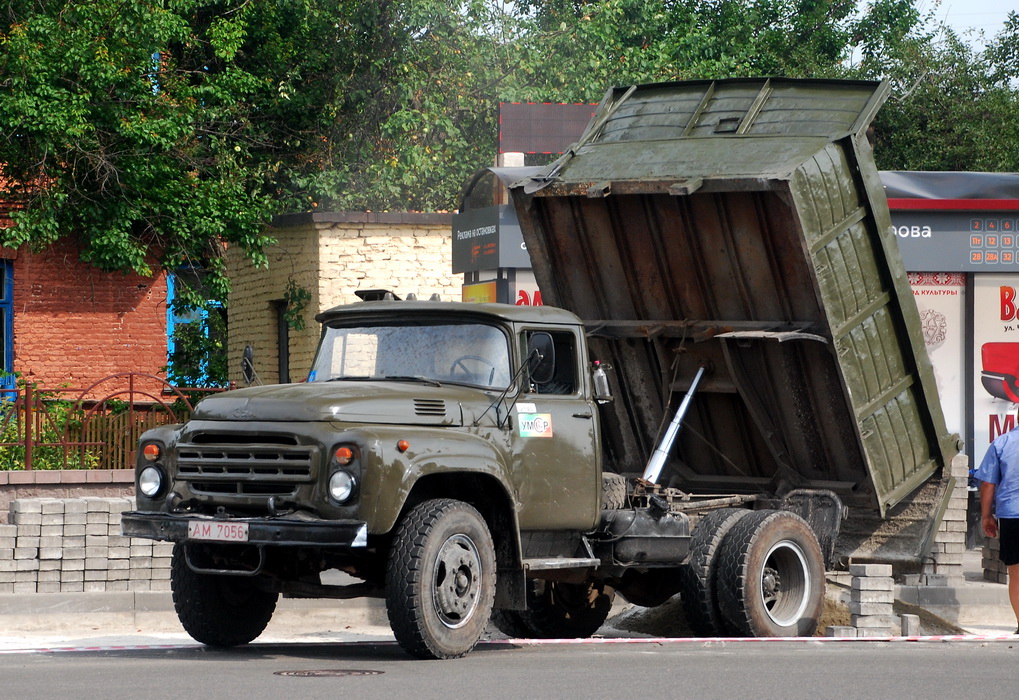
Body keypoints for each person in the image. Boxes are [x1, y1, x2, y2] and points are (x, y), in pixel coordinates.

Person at [975, 425, 1019, 635]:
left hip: (1012, 515)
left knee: (1017, 574)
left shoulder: (1002, 443)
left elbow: (988, 484)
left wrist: (986, 516)